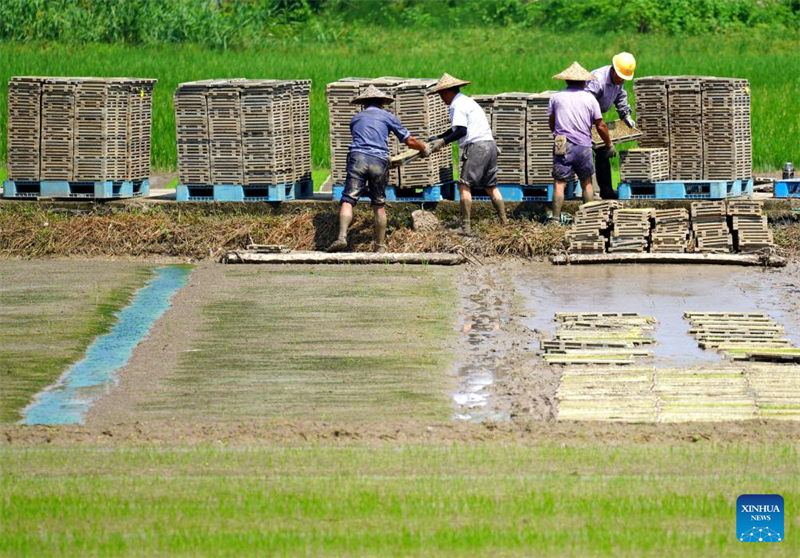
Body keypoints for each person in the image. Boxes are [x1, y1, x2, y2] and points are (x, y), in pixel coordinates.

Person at [328, 85, 428, 253]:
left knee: (348, 199)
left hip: (357, 158)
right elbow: (408, 140)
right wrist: (423, 147)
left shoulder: (356, 118)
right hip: (378, 160)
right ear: (382, 103)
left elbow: (362, 138)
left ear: (364, 103)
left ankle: (342, 237)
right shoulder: (388, 117)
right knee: (379, 203)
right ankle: (380, 246)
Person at [427, 73, 506, 235]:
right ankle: (504, 222)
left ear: (448, 91)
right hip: (490, 145)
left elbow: (462, 131)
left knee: (464, 184)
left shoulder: (456, 105)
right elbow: (457, 128)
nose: (442, 98)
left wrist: (443, 142)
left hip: (477, 147)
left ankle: (466, 227)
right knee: (491, 186)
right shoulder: (467, 101)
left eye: (441, 94)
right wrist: (440, 137)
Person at [547, 62, 613, 224]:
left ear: (566, 80)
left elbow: (552, 121)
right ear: (584, 82)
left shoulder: (556, 97)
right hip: (583, 145)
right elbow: (600, 125)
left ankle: (555, 219)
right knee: (587, 182)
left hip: (562, 144)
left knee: (559, 183)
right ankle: (588, 219)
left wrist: (557, 134)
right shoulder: (590, 99)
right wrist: (609, 143)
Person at [585, 52, 637, 200]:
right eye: (620, 76)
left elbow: (620, 96)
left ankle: (606, 191)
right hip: (583, 117)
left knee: (603, 152)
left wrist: (625, 115)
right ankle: (589, 192)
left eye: (624, 78)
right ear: (613, 69)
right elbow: (585, 103)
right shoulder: (598, 80)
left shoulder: (619, 81)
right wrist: (596, 126)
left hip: (595, 118)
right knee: (585, 152)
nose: (621, 80)